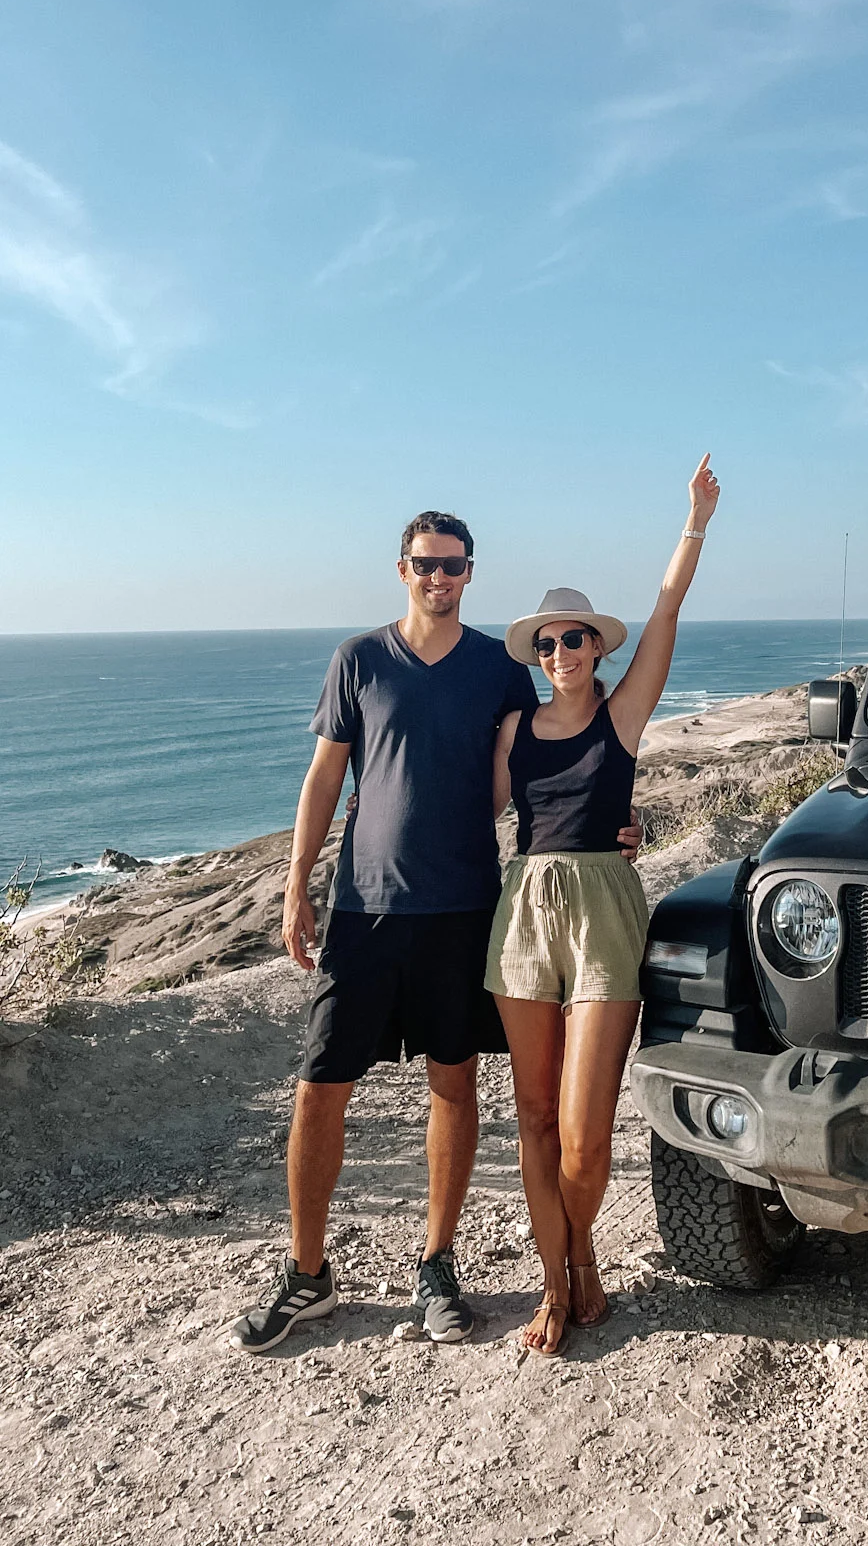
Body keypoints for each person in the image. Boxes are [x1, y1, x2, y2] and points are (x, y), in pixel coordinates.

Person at [231, 510, 642, 1354]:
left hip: (464, 911)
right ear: (402, 568)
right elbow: (325, 775)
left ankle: (437, 1264)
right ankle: (307, 1276)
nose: (439, 577)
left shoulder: (499, 666)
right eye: (426, 563)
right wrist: (295, 884)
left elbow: (552, 756)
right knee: (319, 1087)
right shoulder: (359, 660)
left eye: (453, 565)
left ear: (469, 573)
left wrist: (616, 822)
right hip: (363, 908)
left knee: (454, 1088)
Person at [487, 452, 720, 1356]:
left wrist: (693, 521)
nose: (560, 654)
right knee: (535, 1120)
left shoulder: (620, 719)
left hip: (605, 912)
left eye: (573, 639)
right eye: (546, 644)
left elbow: (667, 609)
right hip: (525, 914)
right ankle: (562, 1280)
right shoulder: (512, 729)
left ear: (596, 648)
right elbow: (477, 813)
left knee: (585, 1136)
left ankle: (579, 1250)